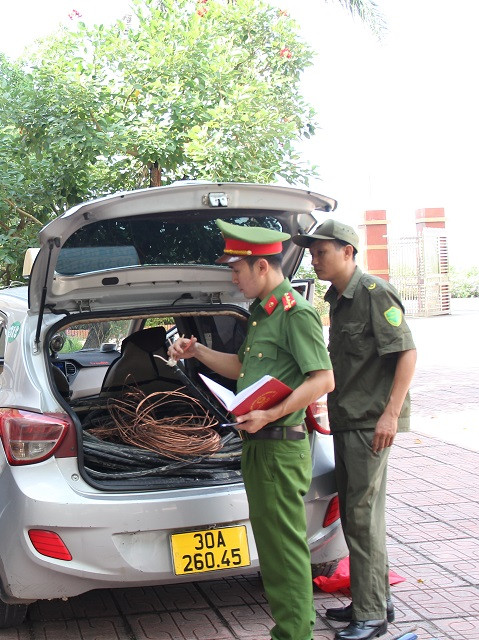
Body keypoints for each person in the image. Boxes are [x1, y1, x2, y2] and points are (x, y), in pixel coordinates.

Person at [168, 219, 334, 640]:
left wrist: (271, 413)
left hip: (280, 446)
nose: (233, 278)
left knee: (284, 549)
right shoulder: (262, 312)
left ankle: (295, 634)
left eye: (237, 269)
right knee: (273, 547)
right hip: (259, 445)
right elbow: (241, 367)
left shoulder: (296, 313)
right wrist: (197, 351)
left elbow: (323, 379)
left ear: (261, 266)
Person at [293, 220, 416, 640]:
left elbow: (406, 354)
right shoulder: (338, 299)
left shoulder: (373, 293)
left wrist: (390, 415)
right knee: (356, 515)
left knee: (362, 518)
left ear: (347, 251)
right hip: (348, 421)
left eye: (321, 252)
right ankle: (374, 598)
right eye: (312, 253)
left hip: (370, 424)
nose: (314, 260)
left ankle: (372, 615)